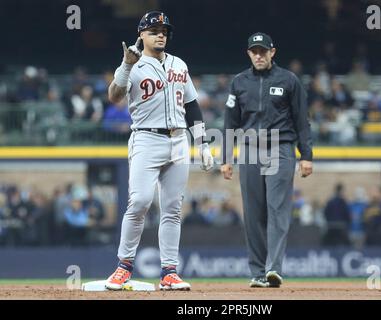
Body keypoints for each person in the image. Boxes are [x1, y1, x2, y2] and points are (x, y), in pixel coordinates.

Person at [105, 11, 214, 291]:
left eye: (163, 30)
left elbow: (192, 106)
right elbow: (115, 97)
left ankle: (169, 272)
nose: (160, 34)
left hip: (179, 141)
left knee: (173, 210)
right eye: (153, 30)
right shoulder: (132, 62)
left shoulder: (179, 64)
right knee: (139, 202)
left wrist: (202, 143)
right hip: (146, 138)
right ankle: (123, 267)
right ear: (141, 34)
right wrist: (126, 66)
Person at [221, 32, 313, 288]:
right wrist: (226, 158)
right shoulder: (239, 82)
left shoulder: (289, 80)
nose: (259, 55)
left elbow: (302, 120)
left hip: (281, 147)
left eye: (263, 51)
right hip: (250, 149)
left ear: (273, 52)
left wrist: (306, 156)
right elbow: (230, 123)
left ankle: (274, 268)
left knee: (277, 209)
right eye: (254, 51)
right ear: (249, 53)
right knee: (253, 213)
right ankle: (258, 272)